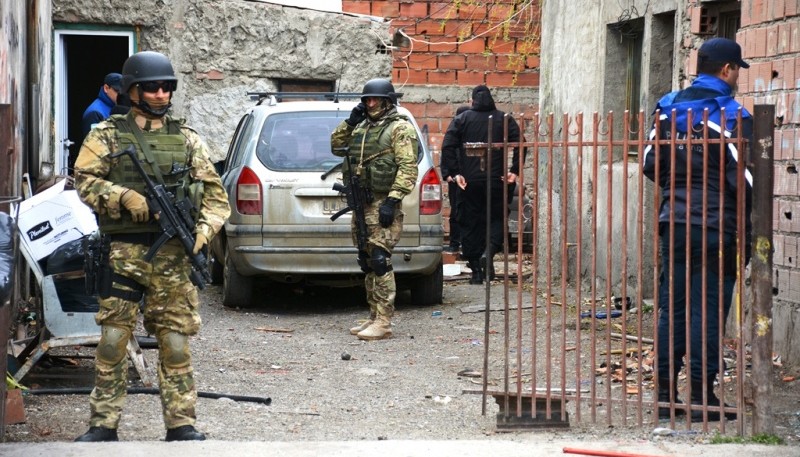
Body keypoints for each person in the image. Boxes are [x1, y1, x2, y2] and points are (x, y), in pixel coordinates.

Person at [72, 51, 231, 441]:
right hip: (124, 253)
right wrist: (123, 196)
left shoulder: (188, 138)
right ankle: (103, 425)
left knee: (175, 344)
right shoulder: (106, 134)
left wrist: (204, 231)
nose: (161, 94)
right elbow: (83, 180)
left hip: (174, 257)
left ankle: (181, 424)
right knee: (112, 341)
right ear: (132, 91)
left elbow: (216, 196)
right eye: (151, 88)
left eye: (166, 87)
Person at [643, 37, 752, 422]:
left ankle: (664, 396)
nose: (737, 75)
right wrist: (748, 234)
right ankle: (703, 397)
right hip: (714, 227)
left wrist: (680, 184)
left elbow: (650, 163)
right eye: (737, 69)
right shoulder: (732, 113)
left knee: (672, 308)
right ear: (726, 70)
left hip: (673, 222)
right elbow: (744, 181)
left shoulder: (668, 106)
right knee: (707, 310)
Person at [331, 78, 419, 341]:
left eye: (375, 100)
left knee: (380, 260)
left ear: (387, 101)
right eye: (366, 100)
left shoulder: (399, 129)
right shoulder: (361, 128)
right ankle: (373, 315)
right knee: (366, 261)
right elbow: (336, 147)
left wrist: (392, 200)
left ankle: (384, 321)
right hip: (362, 203)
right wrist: (350, 122)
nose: (370, 104)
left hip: (382, 203)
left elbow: (407, 168)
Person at [441, 85, 521, 284]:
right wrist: (514, 170)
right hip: (495, 181)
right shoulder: (504, 119)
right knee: (496, 219)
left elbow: (448, 145)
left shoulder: (462, 119)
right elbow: (520, 141)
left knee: (470, 224)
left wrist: (455, 173)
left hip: (469, 182)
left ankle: (477, 272)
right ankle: (489, 251)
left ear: (472, 100)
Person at [440, 105, 470, 254]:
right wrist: (448, 175)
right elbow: (446, 154)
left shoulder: (472, 134)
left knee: (469, 213)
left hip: (470, 181)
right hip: (455, 182)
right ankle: (454, 243)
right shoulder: (453, 135)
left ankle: (467, 244)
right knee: (456, 213)